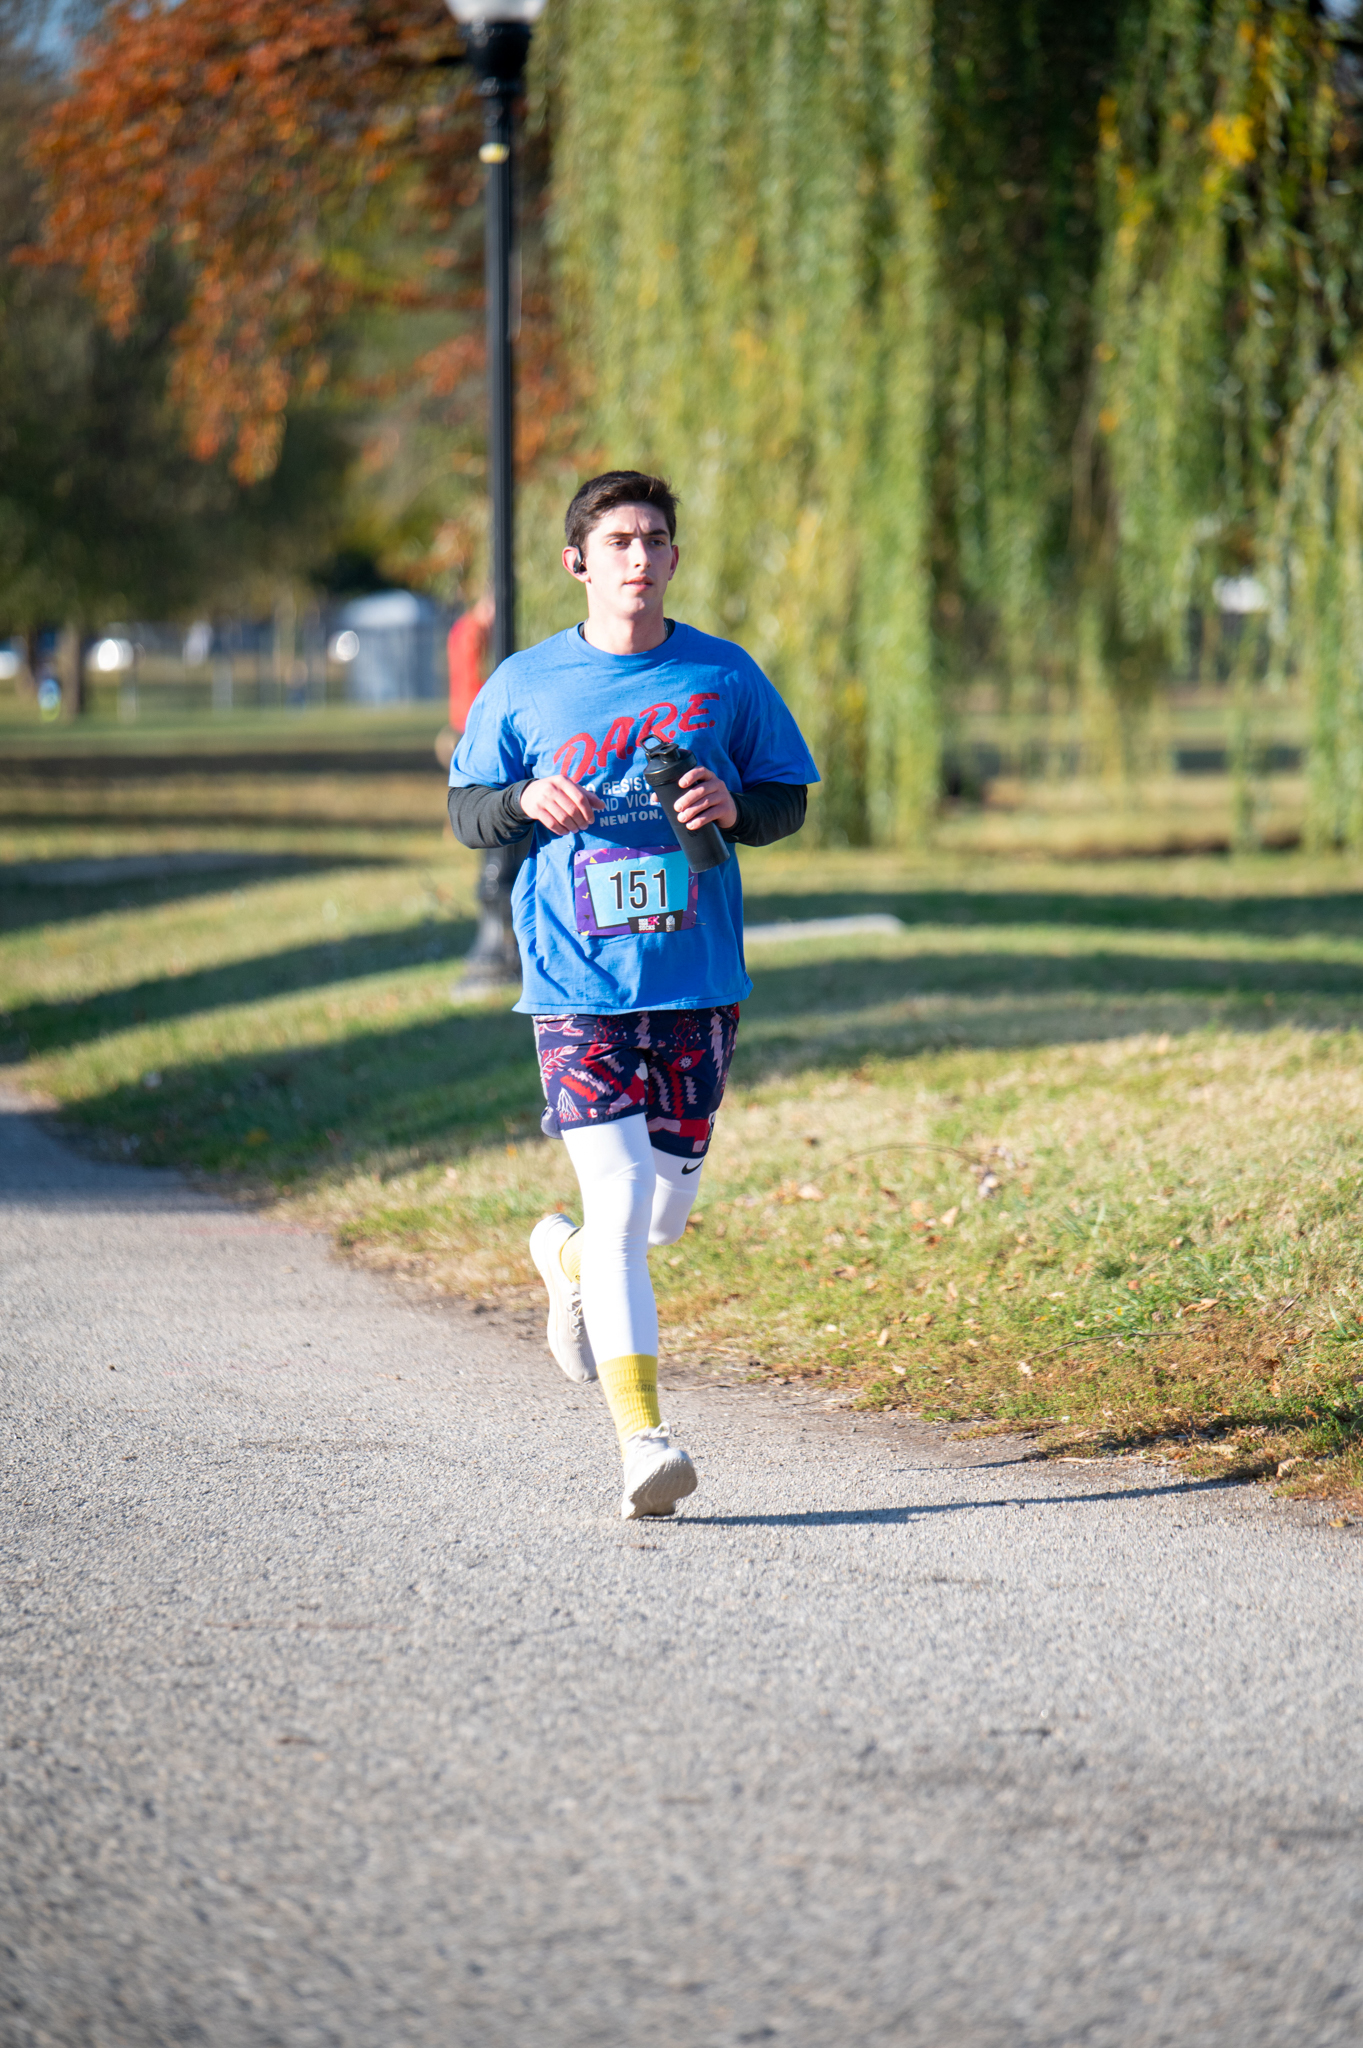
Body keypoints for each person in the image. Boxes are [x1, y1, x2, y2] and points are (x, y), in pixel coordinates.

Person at [447, 470, 818, 1518]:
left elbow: (786, 797)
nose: (638, 557)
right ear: (577, 561)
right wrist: (521, 796)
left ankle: (558, 1254)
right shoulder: (524, 684)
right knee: (619, 1202)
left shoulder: (721, 674)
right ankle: (641, 1437)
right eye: (616, 540)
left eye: (654, 538)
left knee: (657, 1219)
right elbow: (467, 810)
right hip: (575, 978)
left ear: (672, 557)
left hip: (695, 976)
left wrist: (734, 804)